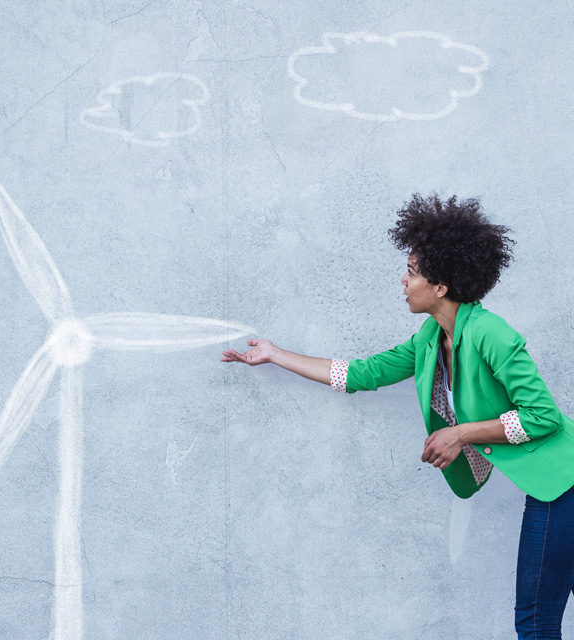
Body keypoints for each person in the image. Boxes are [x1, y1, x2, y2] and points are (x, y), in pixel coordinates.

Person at [220, 193, 574, 640]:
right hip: (558, 488)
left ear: (441, 286)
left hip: (564, 484)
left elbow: (543, 417)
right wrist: (275, 355)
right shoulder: (431, 339)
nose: (402, 280)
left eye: (411, 271)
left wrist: (460, 433)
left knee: (536, 622)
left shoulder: (490, 333)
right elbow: (360, 374)